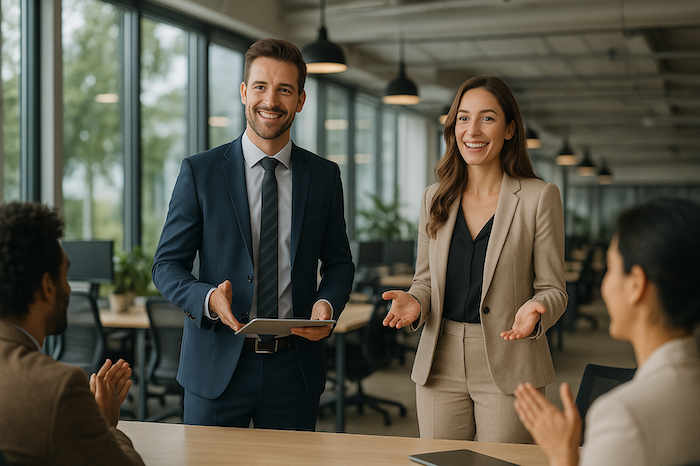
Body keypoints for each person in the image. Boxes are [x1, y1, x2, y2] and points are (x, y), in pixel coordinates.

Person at [151, 38, 354, 430]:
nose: (270, 100)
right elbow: (166, 265)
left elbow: (339, 262)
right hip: (216, 365)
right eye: (260, 86)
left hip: (294, 368)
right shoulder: (201, 172)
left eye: (284, 89)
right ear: (244, 92)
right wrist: (208, 298)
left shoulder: (324, 176)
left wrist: (326, 306)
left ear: (301, 100)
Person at [382, 75, 567, 443]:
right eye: (463, 118)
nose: (473, 130)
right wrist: (415, 301)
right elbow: (424, 280)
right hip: (440, 359)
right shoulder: (435, 198)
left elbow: (553, 288)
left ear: (510, 129)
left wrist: (536, 308)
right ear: (453, 128)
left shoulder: (538, 197)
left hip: (508, 356)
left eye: (488, 118)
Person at [514, 198, 700, 466]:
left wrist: (562, 456)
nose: (604, 284)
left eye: (610, 269)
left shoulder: (622, 417)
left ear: (636, 285)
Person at [0, 201, 144, 465]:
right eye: (65, 276)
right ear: (47, 286)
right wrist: (104, 425)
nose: (67, 289)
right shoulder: (58, 388)